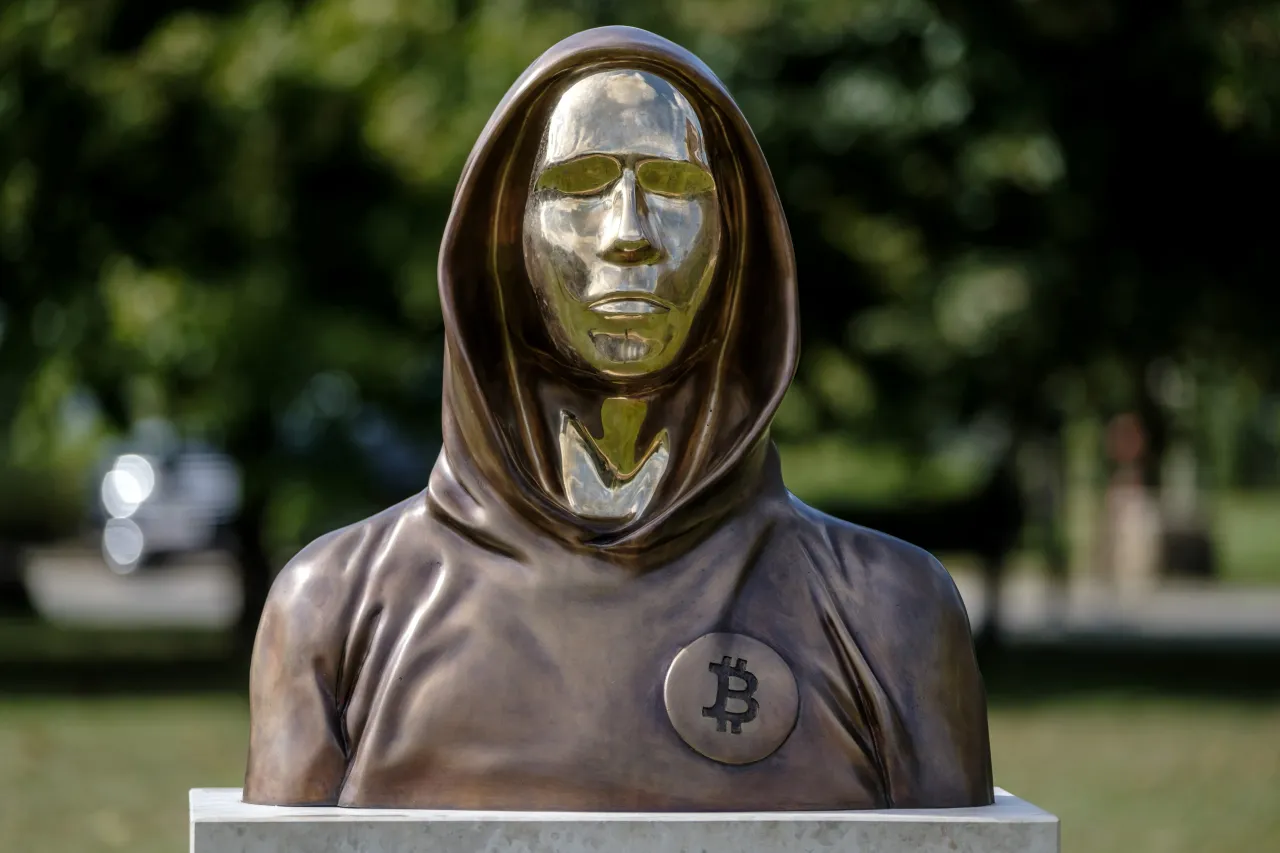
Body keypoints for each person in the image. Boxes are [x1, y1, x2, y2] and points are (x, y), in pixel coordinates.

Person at [243, 26, 992, 811]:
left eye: (671, 184)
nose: (628, 232)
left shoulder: (888, 611)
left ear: (739, 244)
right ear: (507, 239)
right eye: (580, 183)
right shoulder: (337, 608)